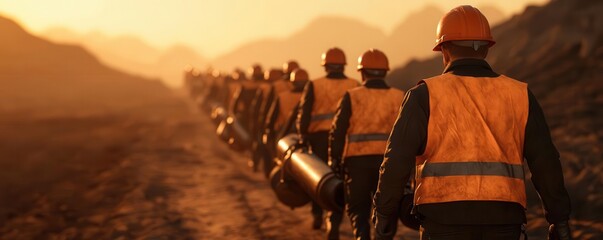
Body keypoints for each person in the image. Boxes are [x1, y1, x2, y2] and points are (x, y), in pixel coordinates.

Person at [372, 5, 572, 240]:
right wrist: (559, 220)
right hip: (504, 221)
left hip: (441, 222)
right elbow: (546, 162)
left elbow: (396, 159)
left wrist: (384, 213)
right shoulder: (520, 95)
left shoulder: (424, 95)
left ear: (444, 50)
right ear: (486, 49)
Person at [329, 49, 404, 240]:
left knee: (359, 209)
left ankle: (362, 236)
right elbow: (408, 134)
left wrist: (334, 159)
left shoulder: (352, 97)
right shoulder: (399, 97)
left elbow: (337, 131)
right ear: (386, 71)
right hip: (389, 165)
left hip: (357, 164)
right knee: (387, 209)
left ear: (362, 72)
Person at [297, 47, 359, 239]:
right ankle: (334, 221)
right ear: (343, 65)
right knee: (338, 179)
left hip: (318, 139)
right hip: (345, 140)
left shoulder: (314, 85)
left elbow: (304, 113)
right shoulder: (354, 84)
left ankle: (317, 214)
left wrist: (302, 135)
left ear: (325, 66)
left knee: (318, 179)